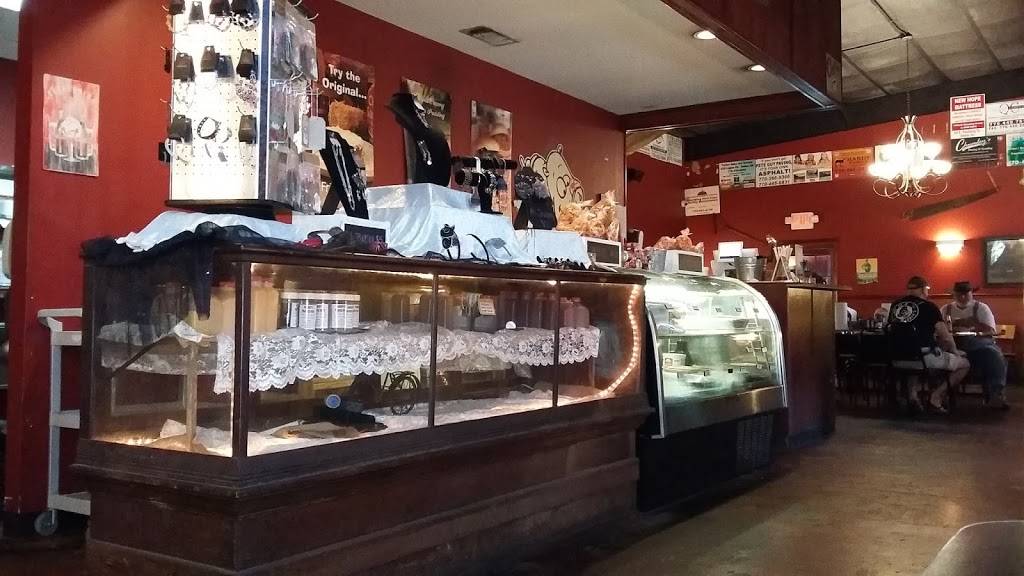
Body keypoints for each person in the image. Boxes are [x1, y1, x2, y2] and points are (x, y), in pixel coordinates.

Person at [888, 276, 970, 412]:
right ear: (923, 290)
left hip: (897, 358)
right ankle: (935, 397)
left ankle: (912, 397)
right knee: (964, 364)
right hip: (924, 357)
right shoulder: (929, 307)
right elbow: (945, 336)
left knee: (913, 364)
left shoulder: (895, 306)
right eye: (927, 289)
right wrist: (955, 352)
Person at [941, 281, 1009, 409]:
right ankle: (940, 394)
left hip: (978, 345)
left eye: (966, 294)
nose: (962, 297)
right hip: (953, 344)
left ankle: (996, 394)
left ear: (971, 293)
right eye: (959, 294)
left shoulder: (981, 308)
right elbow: (939, 329)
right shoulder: (945, 309)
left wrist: (974, 329)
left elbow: (991, 331)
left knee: (994, 354)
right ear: (954, 294)